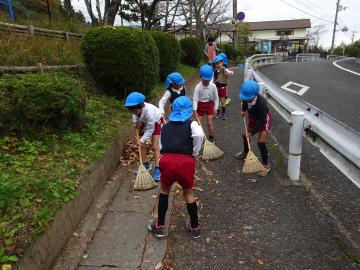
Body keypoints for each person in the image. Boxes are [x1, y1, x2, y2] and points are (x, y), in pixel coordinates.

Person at [148, 96, 204, 239]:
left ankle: (160, 226)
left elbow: (160, 148)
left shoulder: (165, 127)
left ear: (173, 110)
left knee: (165, 190)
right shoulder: (192, 124)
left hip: (167, 161)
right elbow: (199, 135)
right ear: (189, 111)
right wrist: (195, 153)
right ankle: (195, 227)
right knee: (188, 193)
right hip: (186, 162)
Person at [124, 92, 163, 181]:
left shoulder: (150, 113)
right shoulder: (136, 109)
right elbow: (134, 114)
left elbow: (150, 129)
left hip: (155, 122)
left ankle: (158, 169)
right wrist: (135, 121)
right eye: (131, 109)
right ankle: (146, 164)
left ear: (142, 105)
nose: (133, 111)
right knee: (141, 146)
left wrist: (141, 140)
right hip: (143, 121)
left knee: (155, 146)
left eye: (135, 109)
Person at [236, 80, 271, 176]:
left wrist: (252, 132)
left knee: (261, 143)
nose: (246, 99)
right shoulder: (246, 97)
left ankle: (265, 164)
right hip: (253, 117)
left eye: (248, 98)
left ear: (254, 95)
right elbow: (244, 103)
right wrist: (243, 110)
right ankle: (246, 152)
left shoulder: (261, 103)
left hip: (263, 119)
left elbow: (262, 121)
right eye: (245, 98)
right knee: (245, 135)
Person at [193, 64, 219, 142]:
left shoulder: (213, 86)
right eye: (204, 80)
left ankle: (211, 136)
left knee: (209, 123)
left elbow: (216, 98)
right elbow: (195, 99)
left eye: (208, 80)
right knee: (198, 123)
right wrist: (194, 110)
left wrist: (216, 108)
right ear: (201, 77)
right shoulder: (198, 87)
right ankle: (198, 137)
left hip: (209, 105)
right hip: (200, 105)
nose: (206, 81)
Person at [213, 55, 234, 120]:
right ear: (215, 65)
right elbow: (213, 78)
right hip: (216, 88)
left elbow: (232, 73)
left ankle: (223, 113)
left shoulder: (224, 69)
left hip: (222, 88)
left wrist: (228, 74)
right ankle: (217, 111)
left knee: (222, 100)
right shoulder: (215, 71)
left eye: (220, 63)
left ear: (222, 63)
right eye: (217, 63)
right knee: (216, 100)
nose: (219, 65)